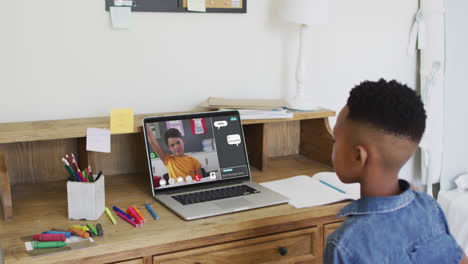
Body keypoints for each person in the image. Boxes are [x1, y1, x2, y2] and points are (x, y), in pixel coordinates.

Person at [324, 79, 468, 264]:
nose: (333, 146)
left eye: (336, 139)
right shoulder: (428, 206)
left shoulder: (344, 244)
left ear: (358, 156)